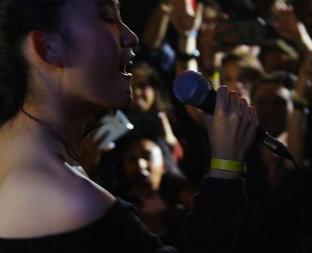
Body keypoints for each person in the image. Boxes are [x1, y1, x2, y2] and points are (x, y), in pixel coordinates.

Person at [0, 0, 258, 252]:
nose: (131, 37)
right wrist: (226, 167)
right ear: (48, 47)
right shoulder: (66, 198)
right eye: (107, 17)